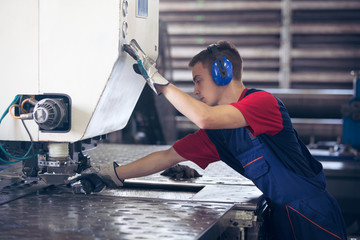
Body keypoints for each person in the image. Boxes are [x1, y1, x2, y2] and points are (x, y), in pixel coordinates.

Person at [78, 39, 347, 240]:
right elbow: (168, 156)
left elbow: (204, 117)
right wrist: (112, 174)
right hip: (281, 218)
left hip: (313, 217)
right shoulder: (218, 134)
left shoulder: (263, 103)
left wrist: (157, 80)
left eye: (198, 81)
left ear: (223, 72)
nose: (195, 91)